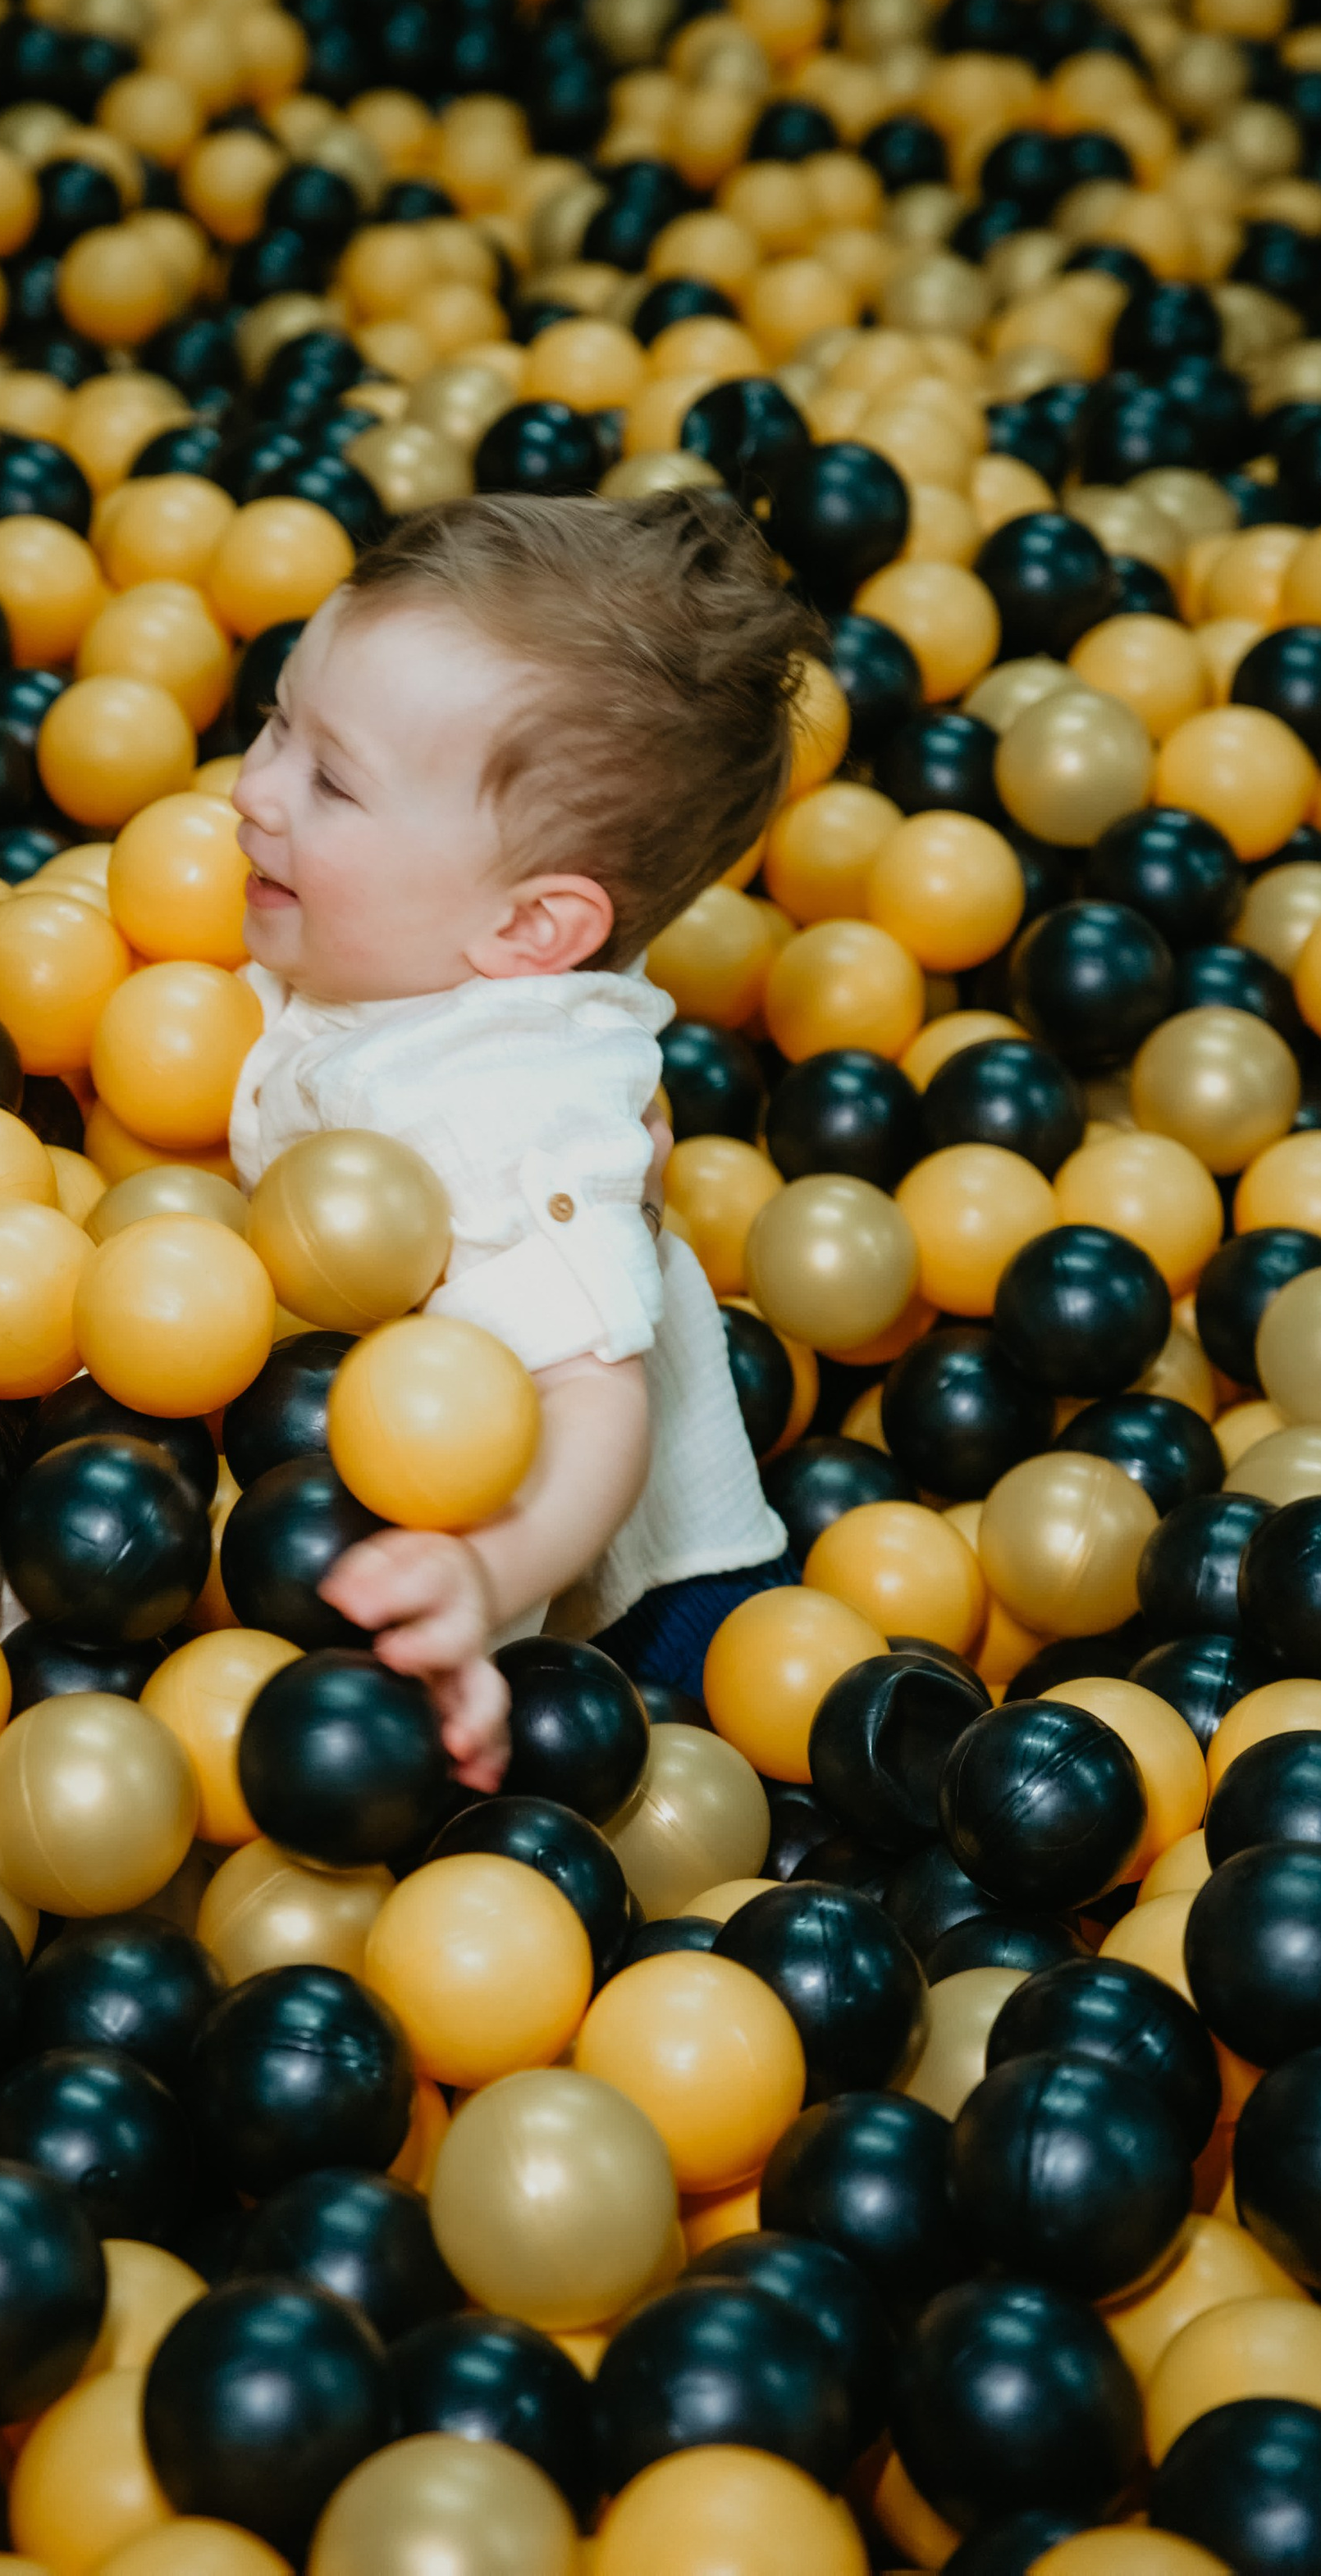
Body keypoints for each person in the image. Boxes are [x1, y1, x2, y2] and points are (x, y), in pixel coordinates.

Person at [229, 487, 816, 1785]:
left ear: (531, 935)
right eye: (277, 720)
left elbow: (592, 1407)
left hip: (632, 1598)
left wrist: (486, 1572)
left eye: (331, 780)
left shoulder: (500, 1104)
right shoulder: (418, 928)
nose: (252, 789)